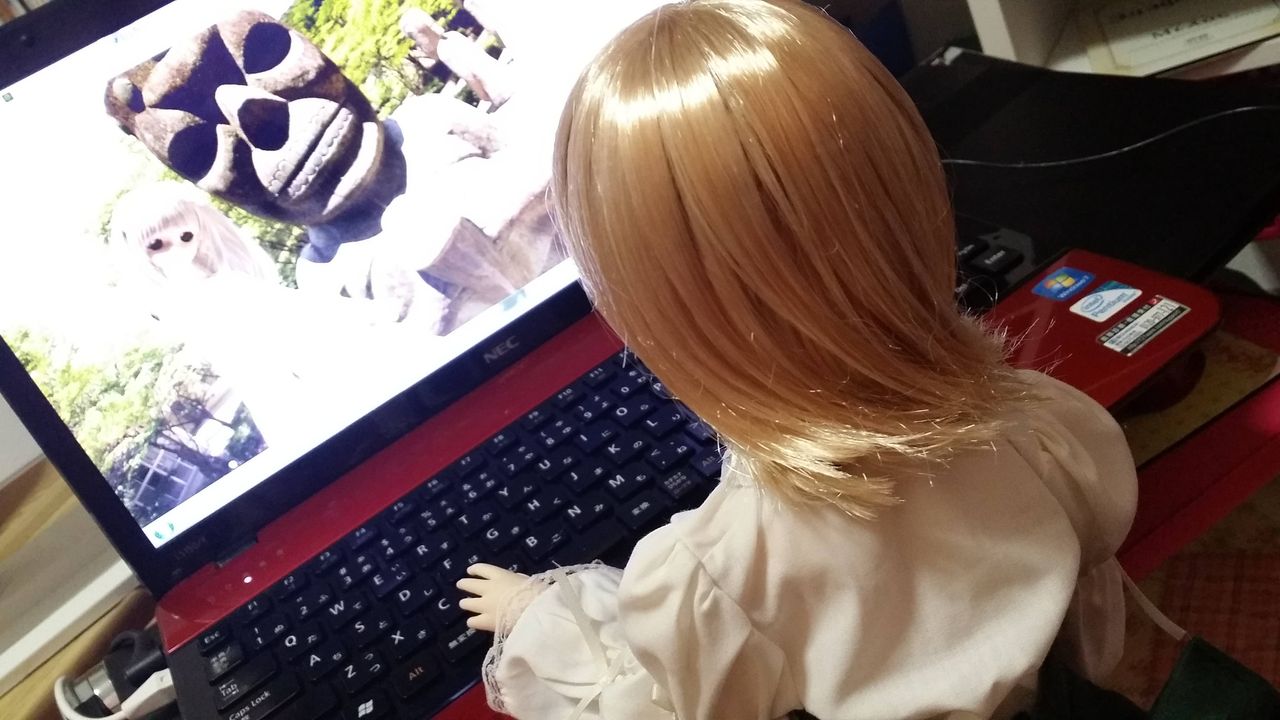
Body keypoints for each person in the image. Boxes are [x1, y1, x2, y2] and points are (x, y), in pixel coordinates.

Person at [456, 1, 1139, 718]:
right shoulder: (1042, 427)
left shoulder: (720, 576)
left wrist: (538, 615)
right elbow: (1087, 613)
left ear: (655, 322)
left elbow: (647, 702)